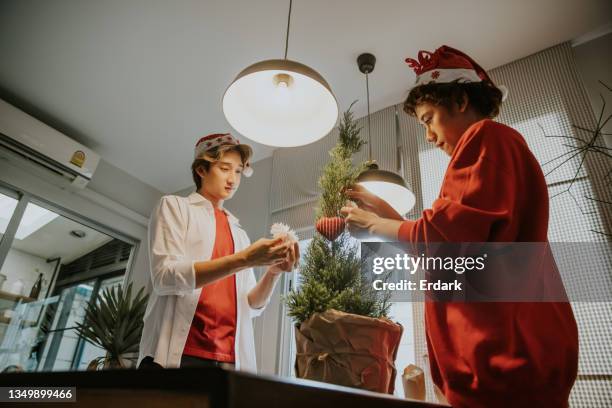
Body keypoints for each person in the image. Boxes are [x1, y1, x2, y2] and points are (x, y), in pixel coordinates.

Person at [341, 46, 578, 407]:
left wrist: (375, 225)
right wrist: (385, 214)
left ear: (461, 99)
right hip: (503, 368)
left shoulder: (487, 138)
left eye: (429, 118)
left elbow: (440, 239)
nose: (429, 136)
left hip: (503, 365)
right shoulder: (495, 149)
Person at [138, 133, 299, 372]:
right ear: (202, 170)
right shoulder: (175, 207)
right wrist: (244, 259)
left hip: (230, 360)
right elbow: (165, 277)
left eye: (237, 171)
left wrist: (273, 273)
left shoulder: (239, 232)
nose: (233, 179)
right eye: (225, 168)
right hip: (178, 355)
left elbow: (251, 306)